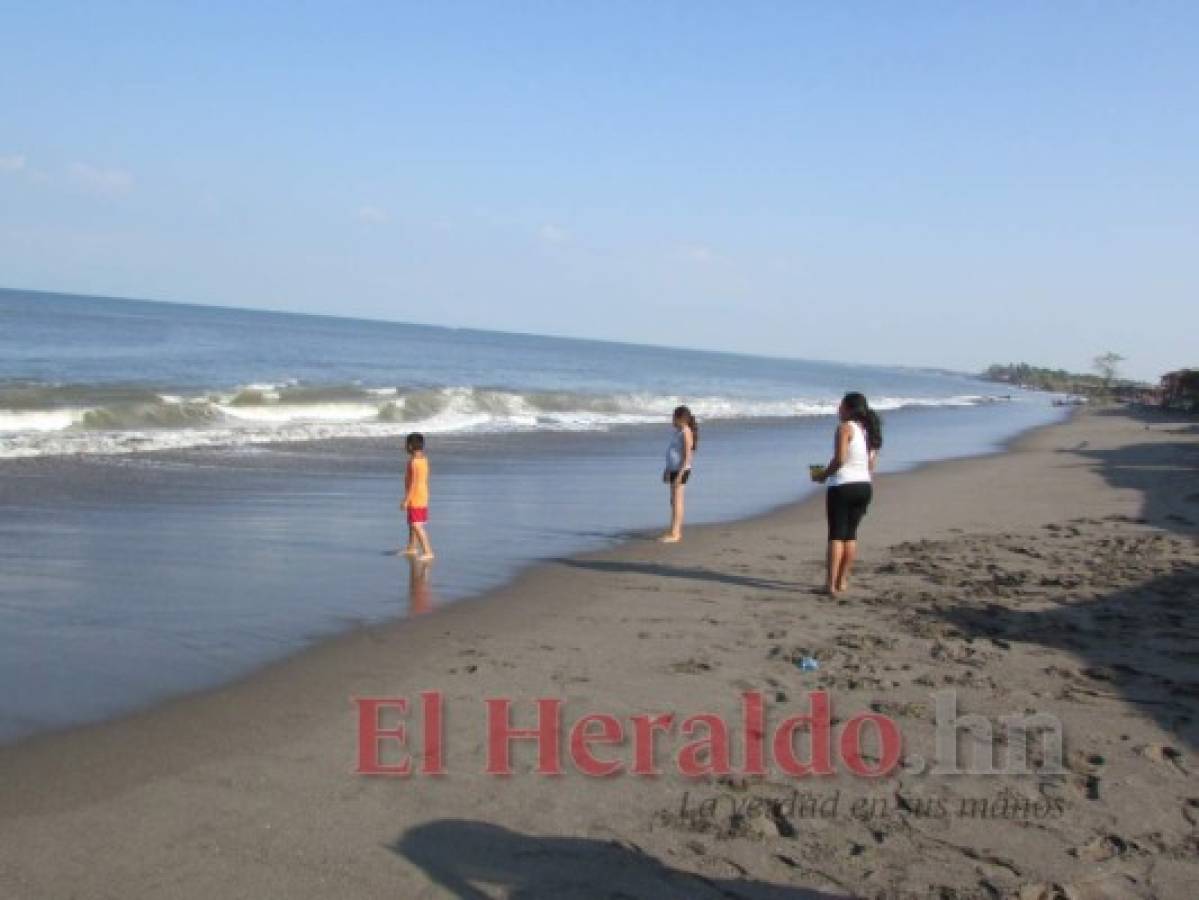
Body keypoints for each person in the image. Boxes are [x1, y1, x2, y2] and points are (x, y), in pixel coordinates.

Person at [815, 392, 881, 593]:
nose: (838, 409)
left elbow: (840, 459)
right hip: (864, 486)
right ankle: (842, 581)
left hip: (844, 485)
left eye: (840, 405)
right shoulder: (868, 431)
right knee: (850, 535)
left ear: (848, 408)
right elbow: (871, 465)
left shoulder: (845, 428)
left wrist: (823, 474)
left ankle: (830, 585)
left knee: (836, 535)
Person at [659, 405, 698, 543]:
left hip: (682, 470)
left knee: (677, 501)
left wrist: (681, 473)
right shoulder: (678, 431)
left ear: (681, 418)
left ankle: (676, 533)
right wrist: (667, 469)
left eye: (673, 417)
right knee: (673, 501)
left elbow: (688, 455)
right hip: (673, 468)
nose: (672, 420)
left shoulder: (686, 432)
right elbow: (673, 452)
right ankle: (673, 530)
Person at [401, 432, 435, 561]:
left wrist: (406, 499)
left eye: (405, 444)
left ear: (410, 446)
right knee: (412, 523)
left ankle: (428, 551)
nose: (404, 447)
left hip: (416, 496)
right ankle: (412, 547)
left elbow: (414, 483)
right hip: (421, 494)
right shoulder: (423, 460)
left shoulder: (414, 462)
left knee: (416, 525)